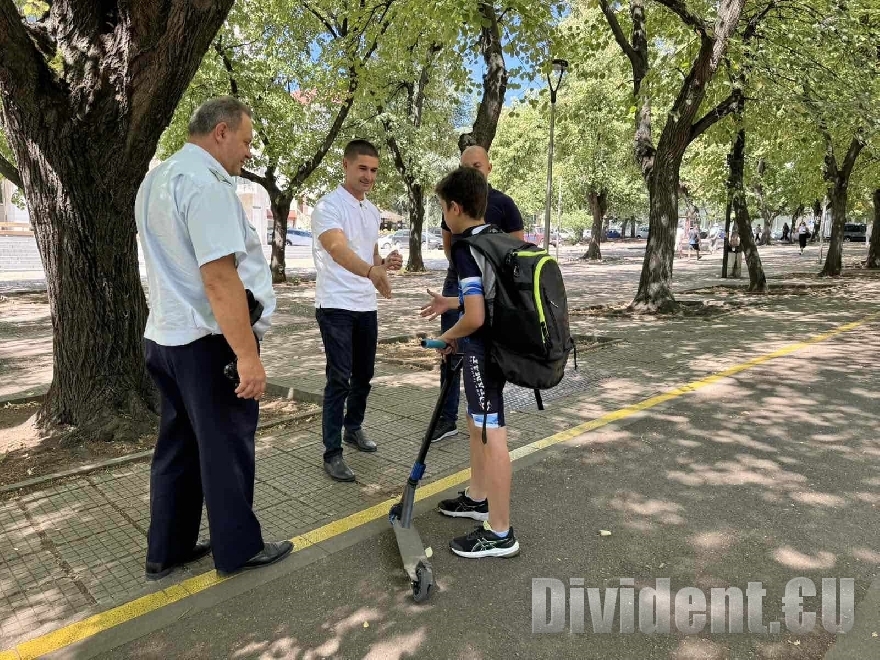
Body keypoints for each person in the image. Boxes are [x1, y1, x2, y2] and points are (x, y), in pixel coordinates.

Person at [135, 96, 292, 579]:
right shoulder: (206, 184)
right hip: (208, 342)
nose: (248, 153)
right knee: (226, 445)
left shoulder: (156, 180)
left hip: (165, 335)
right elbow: (220, 277)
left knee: (178, 446)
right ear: (220, 131)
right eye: (245, 141)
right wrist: (248, 355)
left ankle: (168, 548)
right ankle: (238, 548)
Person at [432, 166, 519, 558]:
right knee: (477, 424)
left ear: (454, 207)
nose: (444, 217)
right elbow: (484, 298)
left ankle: (500, 532)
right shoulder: (496, 239)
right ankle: (478, 496)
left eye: (442, 209)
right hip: (496, 349)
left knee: (492, 431)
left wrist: (447, 336)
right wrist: (450, 304)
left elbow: (476, 318)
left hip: (484, 353)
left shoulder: (467, 248)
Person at [312, 140, 404, 482]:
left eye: (374, 170)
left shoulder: (372, 210)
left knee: (363, 374)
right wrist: (371, 271)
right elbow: (337, 249)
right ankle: (331, 452)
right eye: (362, 168)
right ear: (346, 166)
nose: (368, 176)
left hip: (365, 305)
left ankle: (354, 428)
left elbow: (371, 255)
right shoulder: (328, 207)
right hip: (336, 305)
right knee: (339, 378)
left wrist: (385, 263)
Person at [424, 146, 523, 444]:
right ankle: (449, 417)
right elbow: (448, 243)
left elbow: (515, 252)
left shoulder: (503, 204)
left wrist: (479, 275)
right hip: (462, 278)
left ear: (489, 168)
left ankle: (484, 407)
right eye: (465, 166)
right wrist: (462, 281)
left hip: (486, 282)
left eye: (476, 166)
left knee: (474, 350)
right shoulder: (455, 203)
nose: (470, 171)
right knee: (451, 353)